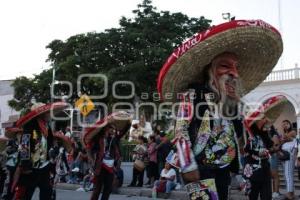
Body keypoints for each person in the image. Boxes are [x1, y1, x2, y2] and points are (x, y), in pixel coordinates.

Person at [156, 19, 283, 200]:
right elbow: (180, 130)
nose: (235, 73)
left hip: (224, 169)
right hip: (199, 167)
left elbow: (239, 135)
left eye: (236, 68)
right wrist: (187, 165)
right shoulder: (192, 95)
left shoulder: (231, 105)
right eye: (225, 66)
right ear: (210, 70)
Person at [13, 102, 68, 200]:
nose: (49, 114)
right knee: (26, 194)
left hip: (44, 166)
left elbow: (49, 143)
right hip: (31, 167)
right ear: (41, 114)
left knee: (47, 192)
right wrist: (25, 165)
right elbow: (25, 145)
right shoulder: (30, 126)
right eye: (47, 112)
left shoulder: (47, 127)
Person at [242, 95, 288, 200]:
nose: (265, 120)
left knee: (267, 196)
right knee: (252, 196)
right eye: (263, 118)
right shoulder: (248, 135)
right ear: (256, 120)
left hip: (265, 170)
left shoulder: (265, 134)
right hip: (252, 172)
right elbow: (248, 150)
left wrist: (278, 149)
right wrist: (264, 152)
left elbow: (271, 149)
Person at [82, 111, 131, 200]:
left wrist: (128, 123)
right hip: (99, 166)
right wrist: (90, 158)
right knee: (97, 189)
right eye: (110, 128)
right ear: (105, 129)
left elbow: (123, 131)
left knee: (108, 189)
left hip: (110, 167)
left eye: (113, 129)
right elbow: (88, 146)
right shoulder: (98, 138)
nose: (112, 130)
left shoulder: (114, 139)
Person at [281, 119, 297, 200]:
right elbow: (283, 139)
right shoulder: (285, 133)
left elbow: (285, 138)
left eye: (286, 123)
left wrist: (283, 139)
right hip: (285, 155)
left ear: (290, 124)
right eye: (283, 124)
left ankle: (289, 193)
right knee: (287, 174)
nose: (285, 125)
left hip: (290, 155)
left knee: (288, 174)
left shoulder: (293, 131)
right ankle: (292, 193)